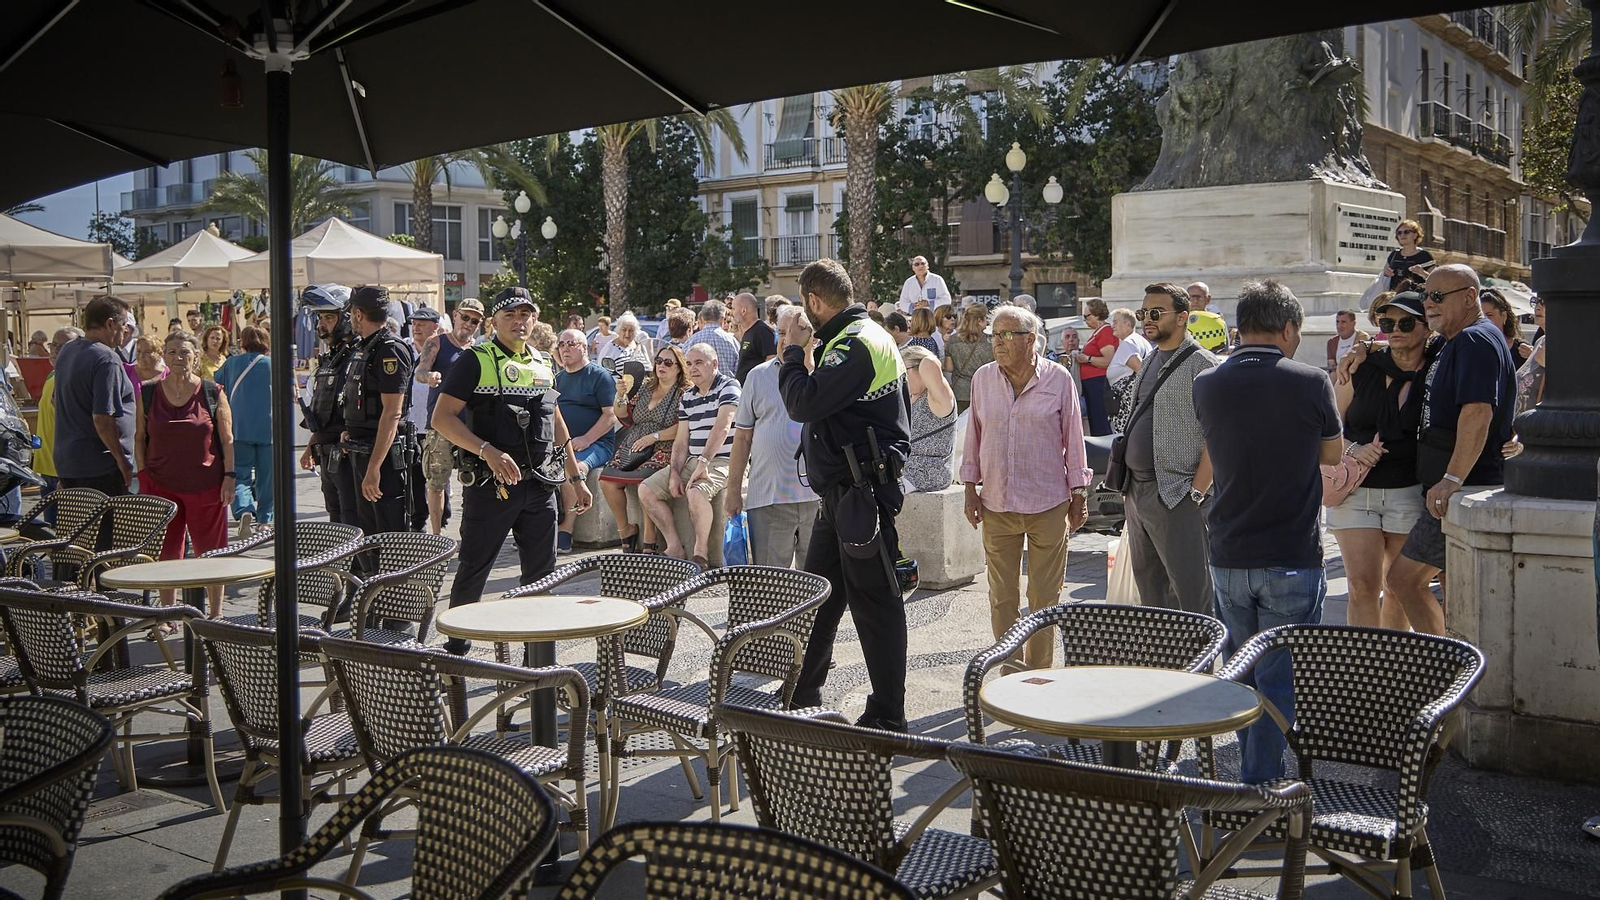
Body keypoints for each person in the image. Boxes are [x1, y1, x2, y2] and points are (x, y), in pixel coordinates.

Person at [1193, 279, 1343, 784]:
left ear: (1239, 327)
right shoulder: (1310, 380)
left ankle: (1251, 773)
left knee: (1241, 670)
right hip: (1291, 549)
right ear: (1287, 327)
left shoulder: (1207, 382)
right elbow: (1332, 456)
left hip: (1229, 548)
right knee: (1281, 677)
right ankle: (1261, 783)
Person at [779, 258, 911, 732]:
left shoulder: (856, 341)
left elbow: (804, 402)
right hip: (842, 494)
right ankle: (802, 691)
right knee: (818, 598)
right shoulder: (858, 336)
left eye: (803, 306)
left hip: (860, 495)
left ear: (814, 301)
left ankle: (888, 714)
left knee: (875, 602)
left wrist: (794, 353)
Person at [431, 286, 592, 655]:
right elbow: (442, 418)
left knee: (541, 576)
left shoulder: (543, 361)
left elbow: (556, 422)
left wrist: (574, 477)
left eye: (525, 315)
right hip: (492, 486)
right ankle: (457, 651)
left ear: (535, 319)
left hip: (539, 485)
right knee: (474, 570)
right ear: (494, 321)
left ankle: (539, 659)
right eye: (510, 315)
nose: (519, 322)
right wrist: (486, 451)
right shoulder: (475, 359)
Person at [1385, 264, 1516, 635]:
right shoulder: (1454, 339)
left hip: (1462, 487)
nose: (1428, 304)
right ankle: (1449, 660)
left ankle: (1442, 663)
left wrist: (1451, 479)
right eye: (1426, 295)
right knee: (1443, 584)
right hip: (1451, 486)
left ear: (1471, 297)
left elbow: (1478, 412)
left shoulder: (1475, 340)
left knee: (1404, 579)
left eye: (1438, 296)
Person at [961, 304, 1090, 670]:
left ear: (1030, 339)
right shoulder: (983, 379)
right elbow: (974, 435)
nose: (997, 343)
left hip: (1048, 503)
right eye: (994, 336)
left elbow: (1074, 438)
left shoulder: (1058, 379)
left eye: (1006, 335)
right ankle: (1009, 669)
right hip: (997, 503)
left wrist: (1079, 493)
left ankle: (1038, 674)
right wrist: (970, 487)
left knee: (1043, 598)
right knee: (1002, 596)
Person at [1328, 291, 1431, 630]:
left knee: (1397, 588)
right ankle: (1362, 670)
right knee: (1361, 588)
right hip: (1356, 492)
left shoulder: (1435, 371)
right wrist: (1352, 449)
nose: (1396, 329)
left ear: (1426, 327)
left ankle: (1391, 666)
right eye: (1387, 323)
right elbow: (1329, 425)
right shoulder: (1361, 367)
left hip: (1407, 490)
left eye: (1405, 322)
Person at [1115, 283, 1219, 615]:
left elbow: (1217, 437)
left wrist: (1197, 493)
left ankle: (1197, 665)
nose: (1147, 319)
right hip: (1137, 493)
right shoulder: (1147, 360)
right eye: (1144, 313)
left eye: (1156, 313)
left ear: (1183, 317)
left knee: (1189, 596)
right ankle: (1160, 663)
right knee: (1151, 595)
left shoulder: (1203, 364)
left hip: (1177, 495)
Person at [135, 330, 234, 617]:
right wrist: (142, 474)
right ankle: (169, 613)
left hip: (206, 484)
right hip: (160, 484)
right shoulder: (149, 390)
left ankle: (215, 614)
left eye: (185, 352)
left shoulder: (211, 391)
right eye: (172, 352)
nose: (179, 357)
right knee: (167, 550)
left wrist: (230, 476)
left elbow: (227, 438)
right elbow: (139, 436)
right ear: (164, 357)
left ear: (196, 356)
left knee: (212, 552)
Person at [725, 306, 817, 568]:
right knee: (770, 586)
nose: (786, 341)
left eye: (793, 333)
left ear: (811, 337)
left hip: (816, 499)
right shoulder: (758, 376)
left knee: (818, 587)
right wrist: (733, 492)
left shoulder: (824, 373)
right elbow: (741, 439)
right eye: (781, 333)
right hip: (769, 499)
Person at [636, 343, 738, 565]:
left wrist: (703, 462)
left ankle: (700, 553)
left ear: (715, 364)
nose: (693, 368)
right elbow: (681, 441)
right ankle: (674, 546)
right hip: (694, 460)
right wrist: (674, 472)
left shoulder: (729, 386)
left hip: (724, 460)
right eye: (690, 364)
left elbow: (722, 427)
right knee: (646, 490)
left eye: (699, 363)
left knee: (696, 492)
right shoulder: (689, 396)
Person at [341, 285, 416, 539]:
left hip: (382, 457)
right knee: (367, 532)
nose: (350, 318)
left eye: (351, 312)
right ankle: (373, 578)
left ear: (359, 314)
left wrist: (374, 468)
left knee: (387, 535)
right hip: (363, 450)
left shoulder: (389, 350)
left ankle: (390, 580)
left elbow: (392, 413)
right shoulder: (366, 347)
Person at [599, 344, 685, 553]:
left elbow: (683, 427)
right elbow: (623, 415)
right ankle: (625, 530)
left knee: (644, 483)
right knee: (607, 480)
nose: (661, 366)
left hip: (664, 446)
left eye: (668, 362)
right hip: (634, 444)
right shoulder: (646, 386)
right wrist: (620, 395)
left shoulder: (683, 392)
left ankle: (650, 539)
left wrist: (654, 437)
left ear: (679, 368)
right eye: (658, 361)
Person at [53, 295, 136, 496]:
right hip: (99, 466)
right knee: (108, 527)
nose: (126, 330)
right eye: (124, 324)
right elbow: (102, 418)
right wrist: (122, 460)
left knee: (83, 526)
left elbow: (55, 400)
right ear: (110, 324)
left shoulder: (68, 350)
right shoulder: (107, 358)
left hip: (70, 461)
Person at [416, 298, 482, 535]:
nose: (469, 323)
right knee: (436, 482)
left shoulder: (479, 349)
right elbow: (420, 371)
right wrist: (430, 376)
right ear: (455, 315)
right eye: (465, 317)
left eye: (475, 320)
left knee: (473, 483)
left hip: (470, 425)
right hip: (441, 425)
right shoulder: (437, 342)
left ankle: (470, 534)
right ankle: (436, 536)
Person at [298, 284, 360, 528]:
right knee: (335, 519)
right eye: (320, 317)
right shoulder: (331, 358)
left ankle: (357, 567)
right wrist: (310, 447)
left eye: (329, 317)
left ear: (346, 318)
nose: (321, 324)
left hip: (347, 456)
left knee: (350, 520)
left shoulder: (356, 356)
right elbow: (324, 411)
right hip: (327, 456)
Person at [552, 328, 617, 553]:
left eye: (571, 344)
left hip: (596, 443)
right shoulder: (556, 379)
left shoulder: (600, 376)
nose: (565, 348)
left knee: (575, 468)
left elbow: (610, 416)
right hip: (561, 444)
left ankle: (566, 531)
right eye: (561, 344)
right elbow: (546, 409)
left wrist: (587, 439)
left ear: (585, 347)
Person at [214, 325, 273, 536]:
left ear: (243, 342)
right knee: (268, 477)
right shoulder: (273, 364)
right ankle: (265, 520)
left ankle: (244, 509)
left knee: (239, 474)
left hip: (239, 427)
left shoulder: (231, 363)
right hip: (270, 429)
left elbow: (215, 384)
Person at [32, 326, 83, 507]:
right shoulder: (53, 375)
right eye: (53, 345)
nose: (54, 350)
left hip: (65, 470)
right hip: (47, 467)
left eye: (62, 346)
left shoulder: (74, 379)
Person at [900, 345, 957, 494]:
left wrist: (920, 362)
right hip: (905, 470)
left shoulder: (938, 398)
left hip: (929, 472)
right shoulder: (910, 399)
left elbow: (929, 363)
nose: (901, 378)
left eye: (904, 371)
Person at [1069, 298, 1117, 436]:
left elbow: (1108, 359)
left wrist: (1087, 359)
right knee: (1095, 421)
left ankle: (1105, 453)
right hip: (1092, 384)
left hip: (1098, 383)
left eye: (1087, 316)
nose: (1085, 320)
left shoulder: (1105, 331)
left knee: (1100, 421)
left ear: (1097, 314)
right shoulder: (1098, 332)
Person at [943, 304, 993, 414]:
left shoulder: (953, 339)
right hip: (984, 391)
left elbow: (948, 368)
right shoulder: (990, 342)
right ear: (980, 320)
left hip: (960, 391)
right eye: (986, 318)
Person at [683, 299, 740, 374]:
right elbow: (738, 368)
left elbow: (684, 367)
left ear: (702, 318)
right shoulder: (732, 341)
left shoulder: (691, 341)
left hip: (699, 384)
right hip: (727, 384)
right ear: (722, 319)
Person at [732, 292, 776, 382]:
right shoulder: (749, 332)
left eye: (733, 309)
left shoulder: (762, 331)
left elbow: (772, 362)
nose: (731, 313)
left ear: (743, 310)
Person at [1480, 288, 1533, 362]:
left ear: (1504, 316)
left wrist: (1533, 357)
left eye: (1489, 315)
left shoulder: (1522, 350)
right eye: (1481, 316)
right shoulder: (1473, 347)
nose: (1484, 320)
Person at [1383, 218, 1434, 291]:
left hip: (1415, 298)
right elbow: (1385, 271)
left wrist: (1422, 273)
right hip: (1394, 298)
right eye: (1399, 233)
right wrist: (1386, 273)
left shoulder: (1425, 256)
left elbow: (1435, 280)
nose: (1402, 235)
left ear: (1415, 235)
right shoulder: (1394, 254)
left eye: (1406, 232)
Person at [1106, 307, 1152, 386]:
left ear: (1128, 324)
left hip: (1130, 396)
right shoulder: (1142, 341)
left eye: (1115, 322)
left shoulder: (1128, 343)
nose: (1112, 326)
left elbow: (1141, 370)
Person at [1184, 282, 1231, 354]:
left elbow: (1223, 351)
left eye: (1199, 297)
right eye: (1192, 297)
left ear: (1208, 299)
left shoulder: (1217, 322)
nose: (1195, 301)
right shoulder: (1180, 321)